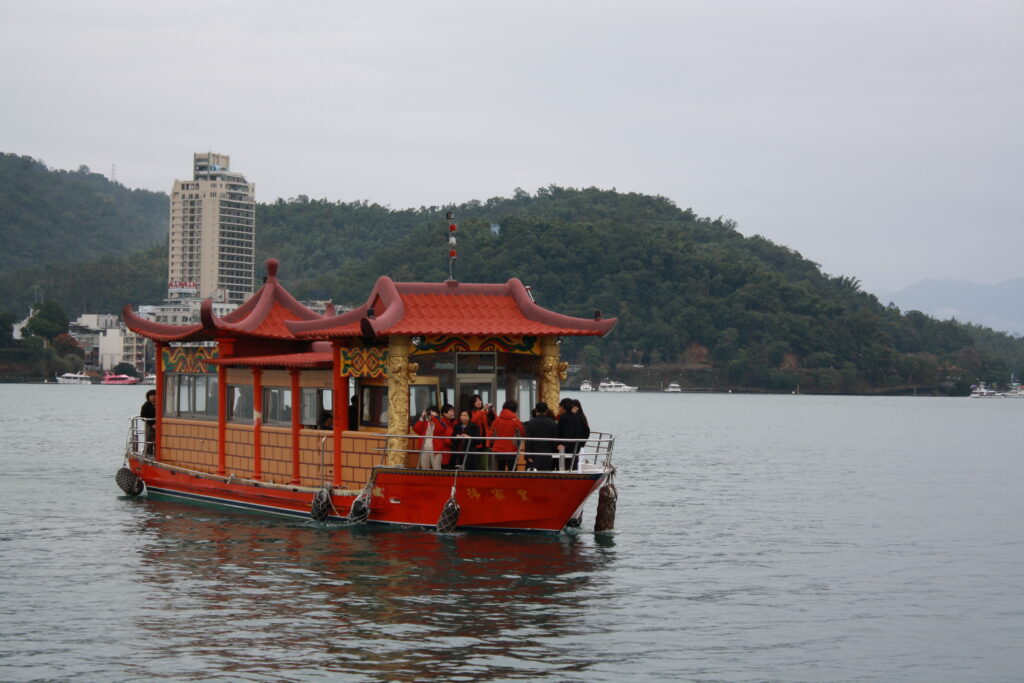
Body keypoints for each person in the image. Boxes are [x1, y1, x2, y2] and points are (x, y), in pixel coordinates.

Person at [490, 399, 525, 472]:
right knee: (512, 471)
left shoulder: (496, 420)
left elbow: (491, 434)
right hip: (512, 449)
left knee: (500, 470)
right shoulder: (516, 421)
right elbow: (522, 434)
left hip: (498, 449)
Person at [412, 405, 450, 470]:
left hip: (436, 450)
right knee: (425, 469)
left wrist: (435, 418)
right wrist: (422, 417)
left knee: (436, 469)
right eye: (429, 413)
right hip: (424, 449)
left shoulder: (440, 422)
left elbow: (441, 429)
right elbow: (416, 429)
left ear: (437, 414)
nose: (431, 415)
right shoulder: (425, 423)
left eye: (433, 413)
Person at [556, 397, 589, 471]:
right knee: (574, 464)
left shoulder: (564, 418)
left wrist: (563, 444)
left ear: (562, 407)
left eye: (559, 407)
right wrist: (582, 443)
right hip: (576, 446)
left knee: (565, 466)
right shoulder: (579, 416)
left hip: (565, 448)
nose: (558, 408)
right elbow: (587, 430)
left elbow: (565, 432)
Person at [524, 401, 558, 471]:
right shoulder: (552, 423)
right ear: (546, 411)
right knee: (547, 476)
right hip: (548, 456)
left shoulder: (531, 423)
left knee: (533, 477)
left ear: (536, 410)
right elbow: (555, 441)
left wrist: (528, 456)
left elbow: (528, 441)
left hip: (534, 456)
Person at [438, 404, 458, 469]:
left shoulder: (453, 422)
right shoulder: (441, 423)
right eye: (451, 411)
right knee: (445, 468)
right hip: (444, 450)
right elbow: (442, 437)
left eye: (453, 411)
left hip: (452, 450)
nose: (453, 413)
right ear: (444, 413)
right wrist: (452, 442)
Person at [140, 389, 156, 455]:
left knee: (158, 441)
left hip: (160, 425)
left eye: (154, 395)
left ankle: (157, 453)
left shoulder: (162, 404)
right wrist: (152, 424)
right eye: (151, 395)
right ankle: (148, 454)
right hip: (149, 425)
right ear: (148, 397)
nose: (153, 397)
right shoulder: (146, 405)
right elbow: (143, 416)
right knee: (149, 440)